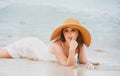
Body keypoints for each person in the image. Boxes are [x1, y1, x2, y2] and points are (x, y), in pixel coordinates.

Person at [0, 18, 94, 69]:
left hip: (36, 48)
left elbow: (83, 61)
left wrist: (89, 64)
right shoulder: (57, 45)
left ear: (78, 33)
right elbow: (67, 65)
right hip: (30, 47)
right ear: (63, 33)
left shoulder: (80, 45)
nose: (69, 33)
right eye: (66, 31)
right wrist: (72, 50)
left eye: (73, 30)